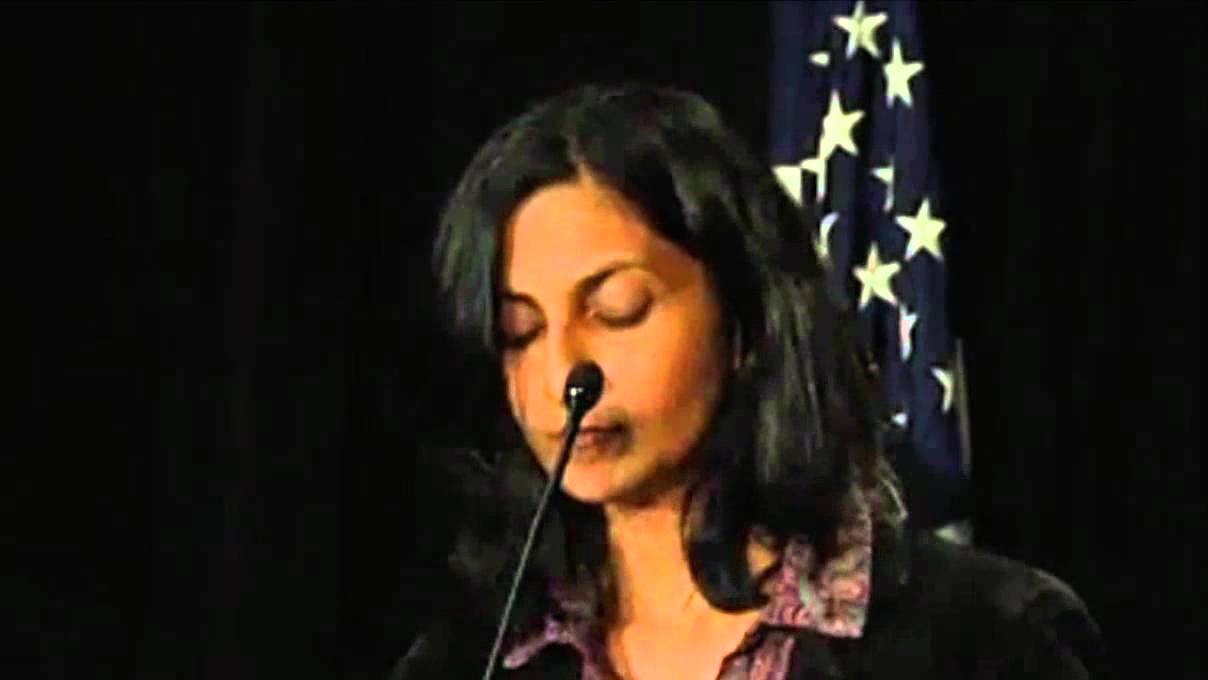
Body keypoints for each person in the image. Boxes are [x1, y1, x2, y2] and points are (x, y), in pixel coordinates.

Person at [392, 83, 1104, 680]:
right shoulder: (465, 661)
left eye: (618, 310)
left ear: (745, 319)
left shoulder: (987, 641)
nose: (561, 374)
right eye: (520, 332)